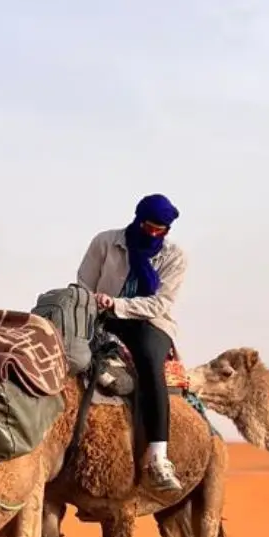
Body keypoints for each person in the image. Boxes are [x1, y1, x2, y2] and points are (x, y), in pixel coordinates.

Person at [76, 193, 188, 490]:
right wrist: (93, 304)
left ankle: (157, 456)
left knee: (150, 365)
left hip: (149, 323)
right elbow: (84, 282)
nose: (153, 233)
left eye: (160, 230)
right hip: (101, 317)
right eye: (149, 226)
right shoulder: (106, 242)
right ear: (138, 219)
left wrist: (116, 303)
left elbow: (159, 304)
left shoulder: (174, 257)